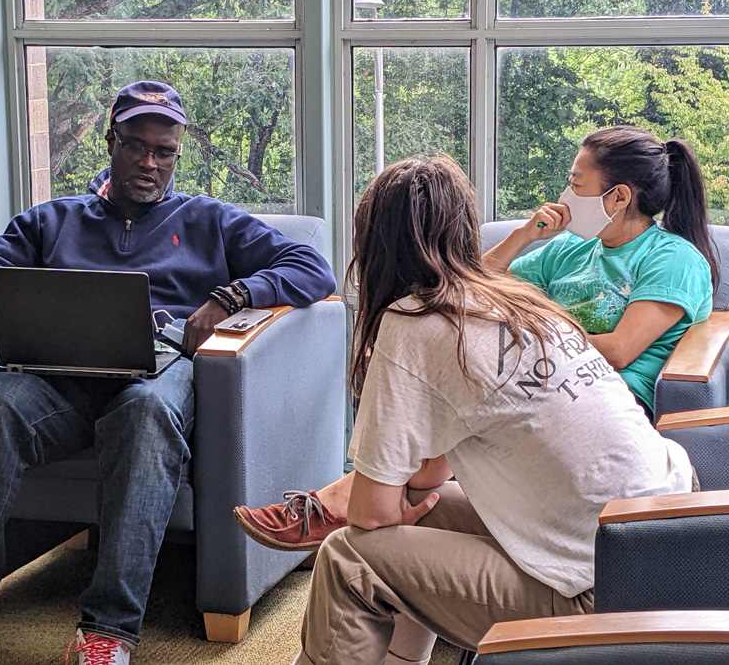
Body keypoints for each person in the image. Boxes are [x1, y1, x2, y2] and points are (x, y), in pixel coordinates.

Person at [0, 81, 336, 665]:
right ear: (111, 143)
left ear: (177, 155)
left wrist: (235, 293)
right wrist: (46, 294)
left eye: (164, 151)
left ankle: (106, 633)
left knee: (143, 413)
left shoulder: (210, 220)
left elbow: (312, 269)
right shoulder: (53, 220)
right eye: (136, 146)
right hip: (59, 382)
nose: (149, 162)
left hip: (159, 379)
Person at [285, 155, 695, 665]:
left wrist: (396, 506)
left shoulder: (412, 324)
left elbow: (370, 513)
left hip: (598, 589)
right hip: (671, 533)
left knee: (349, 559)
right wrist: (409, 502)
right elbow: (438, 469)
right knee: (420, 518)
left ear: (373, 243)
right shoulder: (521, 300)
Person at [234, 125, 714, 554]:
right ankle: (364, 502)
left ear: (619, 196)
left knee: (438, 411)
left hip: (600, 393)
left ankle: (343, 499)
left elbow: (618, 350)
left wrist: (527, 336)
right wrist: (526, 236)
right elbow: (465, 287)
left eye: (576, 183)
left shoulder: (671, 259)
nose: (567, 193)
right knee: (425, 461)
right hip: (534, 378)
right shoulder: (571, 249)